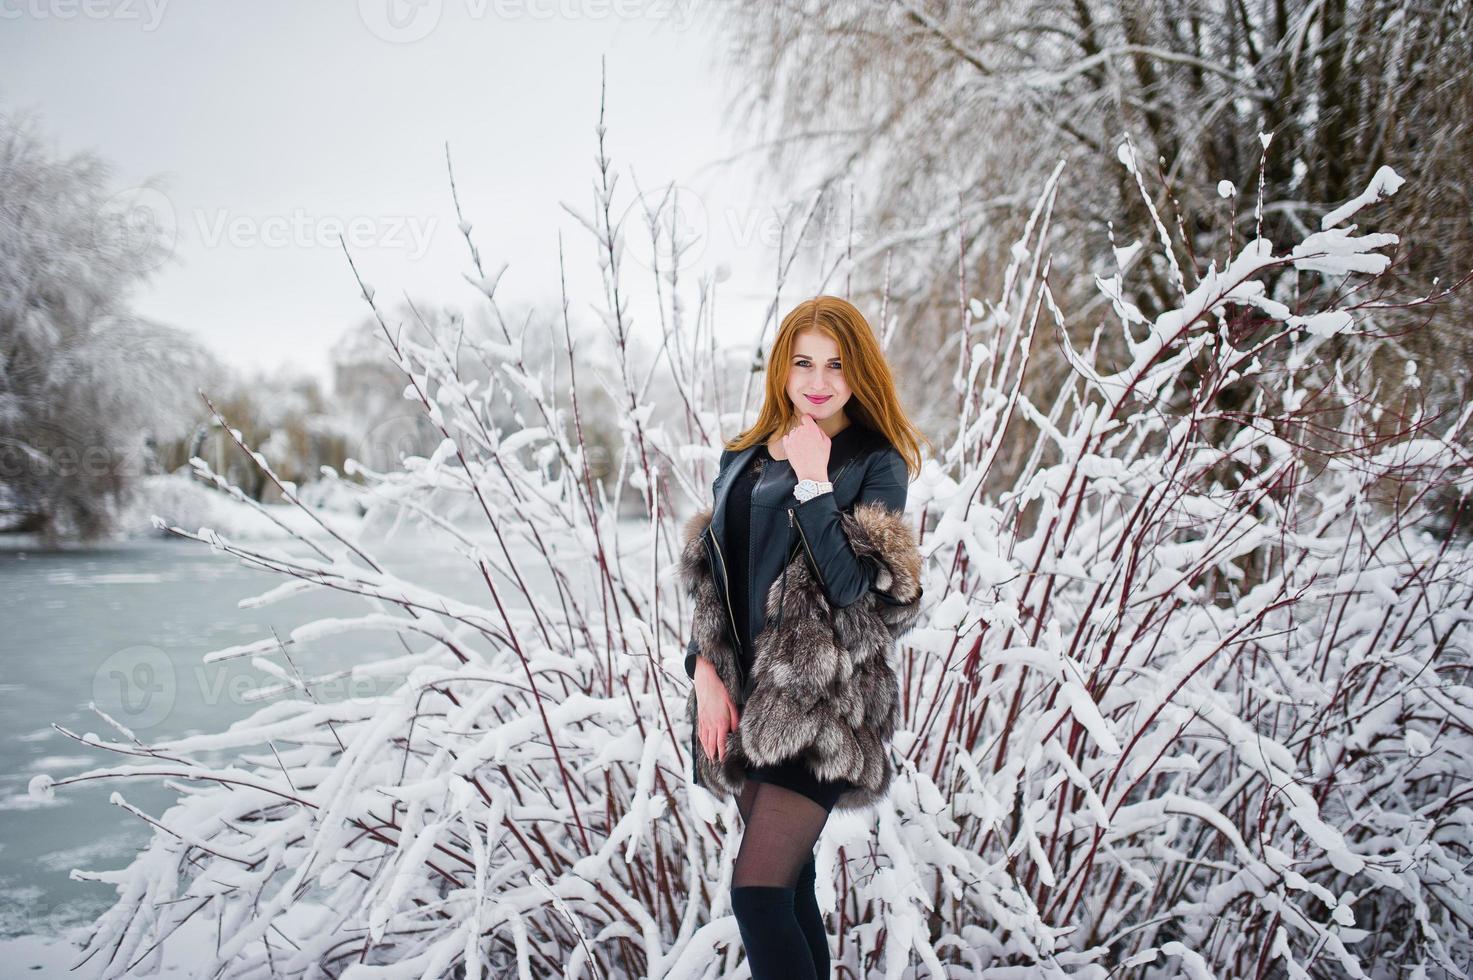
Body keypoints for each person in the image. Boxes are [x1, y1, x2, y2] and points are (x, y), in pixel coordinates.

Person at [679, 296, 930, 979]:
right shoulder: (741, 456)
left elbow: (855, 591)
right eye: (802, 362)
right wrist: (703, 670)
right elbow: (714, 576)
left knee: (756, 895)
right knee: (788, 890)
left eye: (835, 365)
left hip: (825, 707)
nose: (817, 380)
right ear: (780, 370)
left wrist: (816, 483)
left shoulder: (875, 463)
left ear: (859, 374)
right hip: (748, 700)